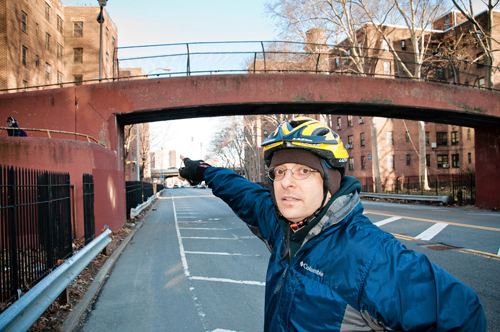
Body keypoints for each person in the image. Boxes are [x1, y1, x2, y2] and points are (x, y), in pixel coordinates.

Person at [179, 117, 486, 331]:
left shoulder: (370, 255)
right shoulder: (281, 225)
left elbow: (462, 314)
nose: (286, 182)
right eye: (280, 171)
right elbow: (243, 192)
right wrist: (206, 171)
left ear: (330, 181)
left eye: (303, 171)